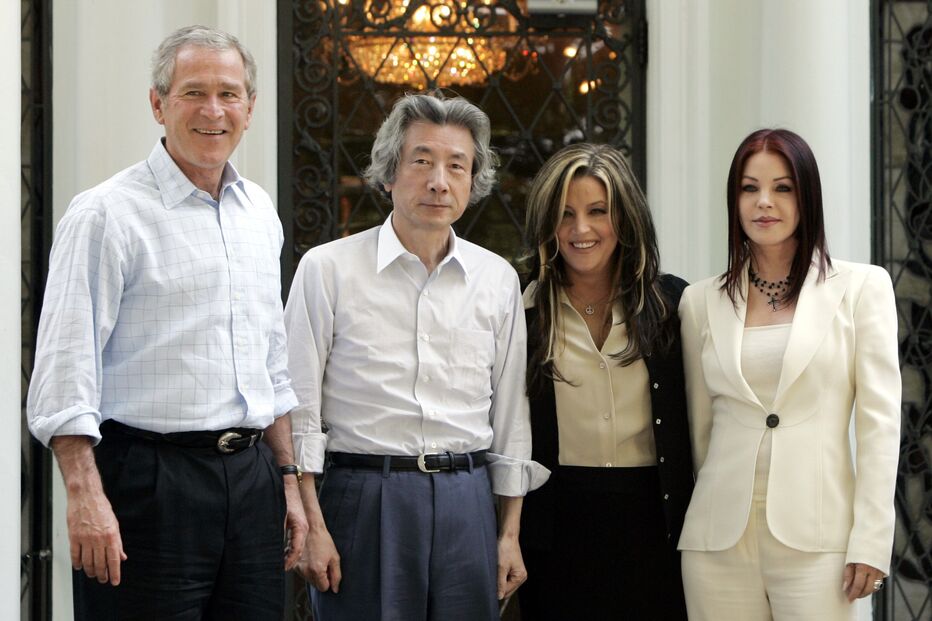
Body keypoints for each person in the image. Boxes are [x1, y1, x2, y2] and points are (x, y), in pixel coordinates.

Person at [26, 25, 307, 620]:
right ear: (158, 104)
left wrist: (288, 480)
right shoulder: (105, 214)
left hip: (252, 482)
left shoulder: (259, 212)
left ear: (251, 107)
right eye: (193, 92)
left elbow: (272, 366)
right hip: (148, 486)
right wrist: (83, 495)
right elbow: (64, 370)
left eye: (229, 94)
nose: (213, 110)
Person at [284, 91, 549, 621]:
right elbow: (297, 408)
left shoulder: (496, 279)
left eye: (457, 166)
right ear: (389, 172)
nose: (439, 181)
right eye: (422, 161)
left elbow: (510, 417)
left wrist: (509, 533)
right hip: (364, 498)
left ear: (472, 182)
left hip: (467, 500)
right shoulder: (327, 269)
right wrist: (311, 525)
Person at [678, 129, 901, 620]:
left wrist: (871, 539)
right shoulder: (698, 302)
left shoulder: (862, 288)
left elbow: (880, 427)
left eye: (782, 187)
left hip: (821, 543)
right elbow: (700, 431)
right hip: (718, 542)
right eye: (749, 188)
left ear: (807, 197)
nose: (764, 202)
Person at [517, 143, 693, 620]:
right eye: (565, 214)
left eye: (598, 211)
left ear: (626, 218)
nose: (581, 230)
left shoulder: (675, 305)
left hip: (655, 525)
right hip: (555, 528)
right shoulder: (521, 309)